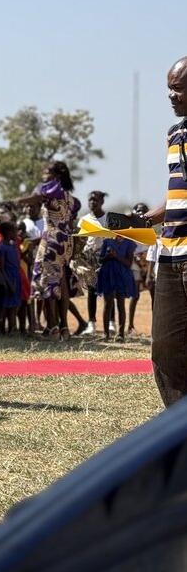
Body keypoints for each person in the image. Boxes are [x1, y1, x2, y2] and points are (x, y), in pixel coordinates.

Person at [146, 56, 187, 406]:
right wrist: (149, 218)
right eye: (169, 88)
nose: (171, 95)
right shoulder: (175, 134)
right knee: (165, 345)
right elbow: (176, 190)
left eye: (178, 88)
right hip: (171, 252)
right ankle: (178, 423)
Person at [17, 161, 80, 341]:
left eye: (46, 172)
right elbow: (70, 222)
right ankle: (64, 328)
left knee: (47, 282)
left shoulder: (49, 190)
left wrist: (16, 201)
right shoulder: (71, 199)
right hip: (65, 242)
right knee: (62, 282)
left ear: (56, 176)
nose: (43, 176)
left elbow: (36, 198)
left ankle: (52, 328)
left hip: (51, 240)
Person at [78, 190, 109, 335]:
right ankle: (92, 323)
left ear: (102, 202)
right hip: (90, 258)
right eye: (90, 200)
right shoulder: (84, 220)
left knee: (109, 291)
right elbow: (80, 240)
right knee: (92, 291)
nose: (92, 202)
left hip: (106, 257)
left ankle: (111, 323)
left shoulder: (108, 219)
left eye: (95, 200)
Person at [96, 235, 136, 342]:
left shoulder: (129, 243)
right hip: (108, 274)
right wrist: (108, 256)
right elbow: (100, 260)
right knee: (107, 303)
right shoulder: (107, 241)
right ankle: (106, 334)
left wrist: (116, 256)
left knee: (120, 303)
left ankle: (121, 334)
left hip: (121, 276)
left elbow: (129, 263)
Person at [0, 221, 23, 335]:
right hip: (7, 280)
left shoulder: (13, 246)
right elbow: (2, 267)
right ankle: (0, 330)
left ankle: (12, 329)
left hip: (16, 278)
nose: (17, 234)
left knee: (14, 306)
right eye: (15, 231)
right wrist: (8, 283)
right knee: (4, 306)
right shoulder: (2, 248)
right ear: (9, 233)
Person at [128, 202, 151, 336]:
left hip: (148, 264)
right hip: (135, 264)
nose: (140, 213)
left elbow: (152, 250)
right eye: (137, 211)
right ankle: (130, 326)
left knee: (154, 294)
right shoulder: (130, 231)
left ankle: (155, 326)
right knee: (135, 295)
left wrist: (148, 273)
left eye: (143, 211)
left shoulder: (150, 231)